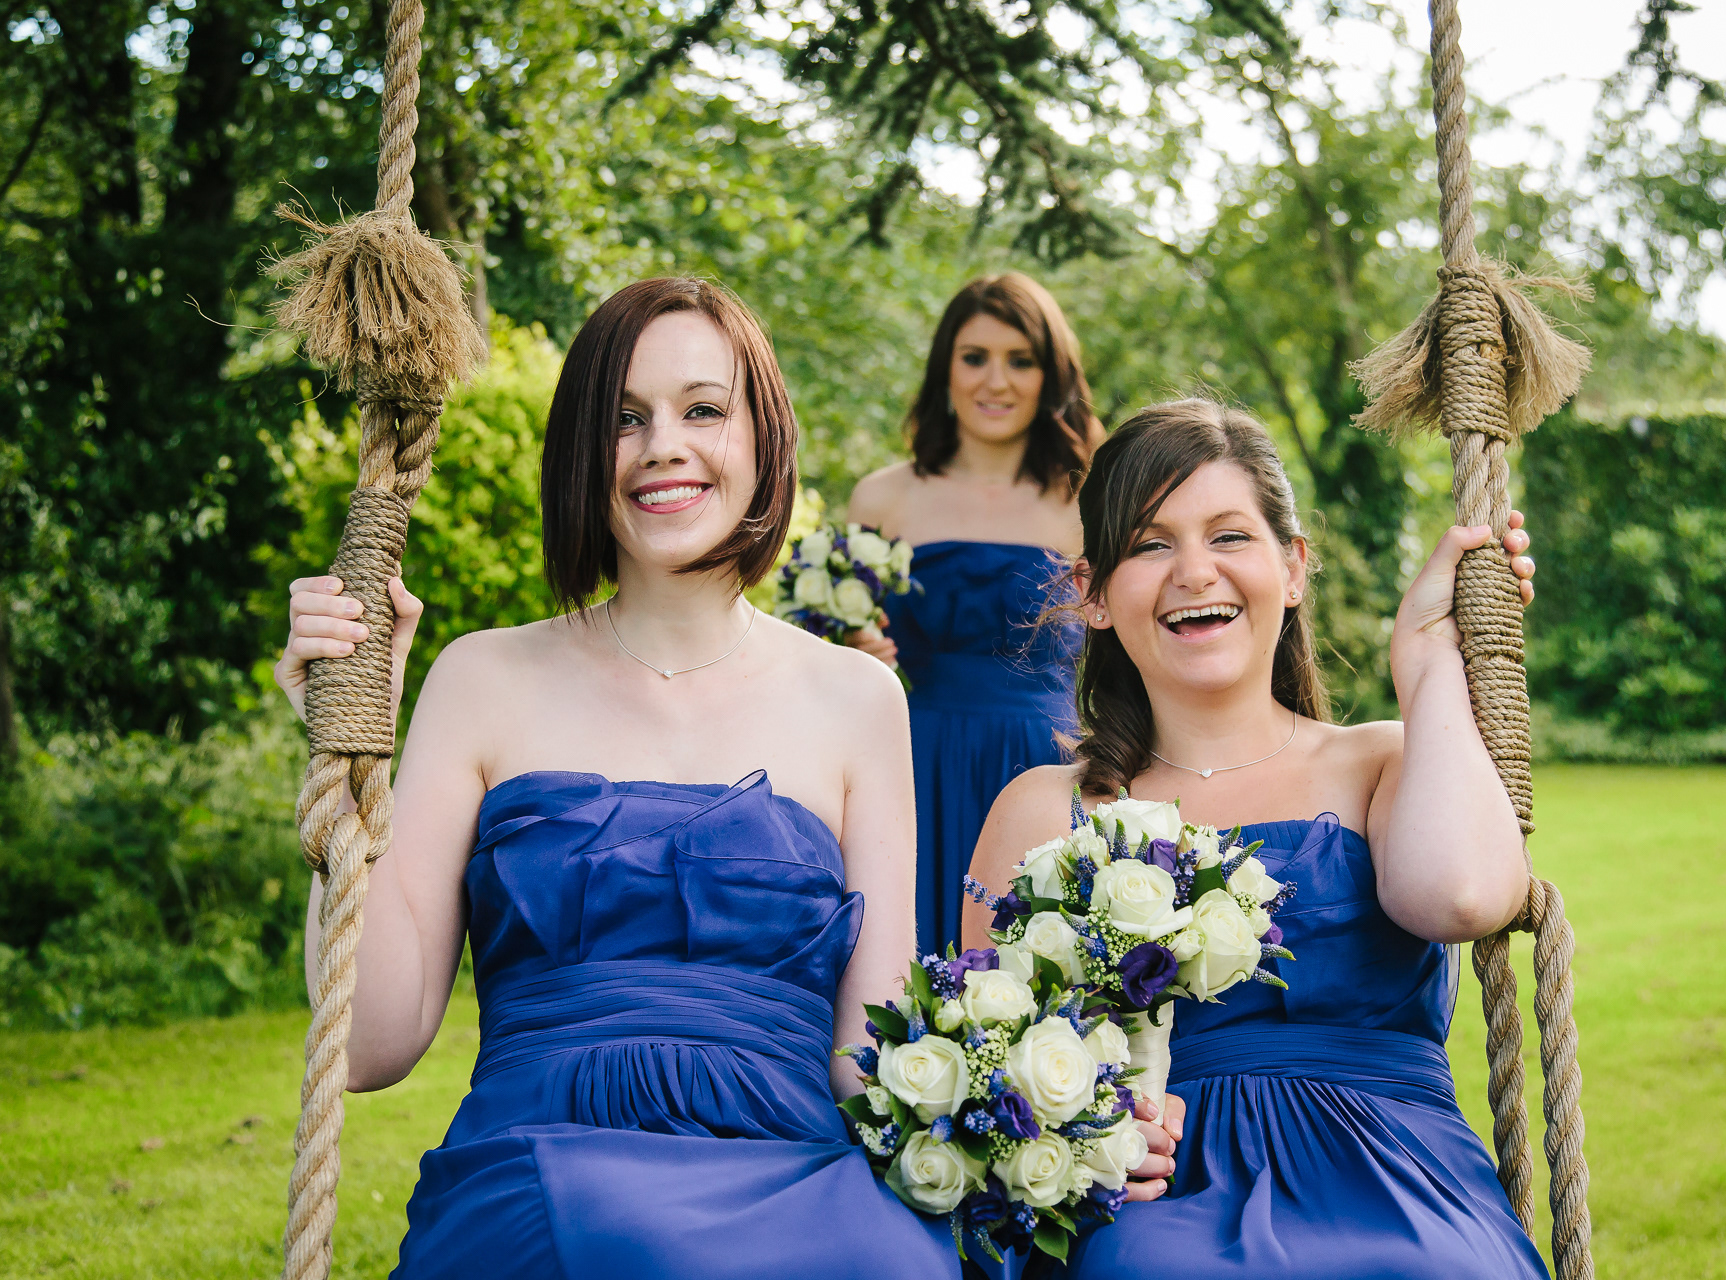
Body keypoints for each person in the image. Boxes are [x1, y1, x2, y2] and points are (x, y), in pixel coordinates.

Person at [271, 279, 1174, 1279]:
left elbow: (864, 1052)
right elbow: (368, 1047)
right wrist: (347, 753)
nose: (664, 443)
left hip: (796, 1165)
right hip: (552, 1157)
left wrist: (1058, 1101)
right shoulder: (481, 677)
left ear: (763, 440)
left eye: (704, 409)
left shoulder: (858, 700)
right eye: (626, 416)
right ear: (580, 446)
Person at [962, 398, 1550, 1278]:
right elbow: (987, 1059)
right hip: (1158, 1200)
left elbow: (1462, 896)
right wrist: (1088, 1131)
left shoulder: (1381, 761)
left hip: (1398, 1182)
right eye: (1151, 545)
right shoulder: (1046, 808)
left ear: (1295, 566)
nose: (1194, 571)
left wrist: (1427, 664)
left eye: (1229, 536)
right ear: (1091, 592)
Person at [847, 273, 1101, 955]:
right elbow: (836, 658)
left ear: (1051, 375)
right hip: (917, 762)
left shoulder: (1091, 500)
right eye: (975, 357)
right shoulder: (883, 499)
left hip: (1051, 760)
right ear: (945, 368)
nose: (997, 380)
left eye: (1021, 360)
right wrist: (855, 650)